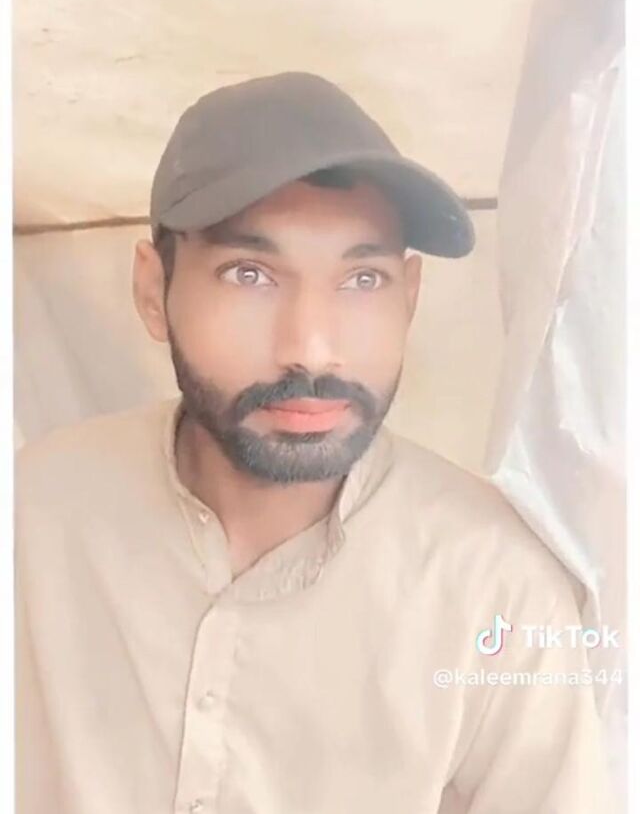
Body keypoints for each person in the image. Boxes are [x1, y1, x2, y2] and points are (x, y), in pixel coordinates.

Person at [15, 71, 612, 813]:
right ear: (152, 290)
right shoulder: (33, 516)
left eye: (362, 279)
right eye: (249, 274)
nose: (311, 348)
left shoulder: (498, 590)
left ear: (410, 296)